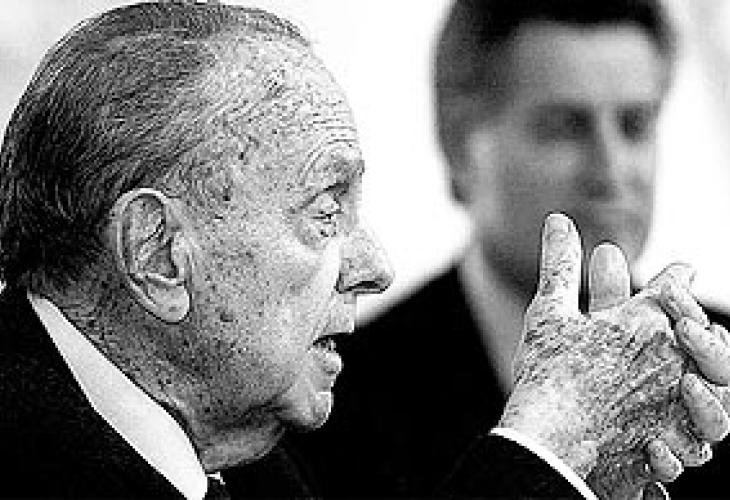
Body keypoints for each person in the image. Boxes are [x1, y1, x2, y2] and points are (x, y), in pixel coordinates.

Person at [1, 1, 729, 499]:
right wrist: (550, 453)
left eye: (637, 123)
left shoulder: (258, 467)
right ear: (159, 254)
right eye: (326, 213)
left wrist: (577, 480)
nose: (375, 267)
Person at [291, 0, 730, 497]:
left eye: (635, 125)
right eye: (564, 128)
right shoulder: (333, 398)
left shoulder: (718, 377)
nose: (610, 172)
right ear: (459, 146)